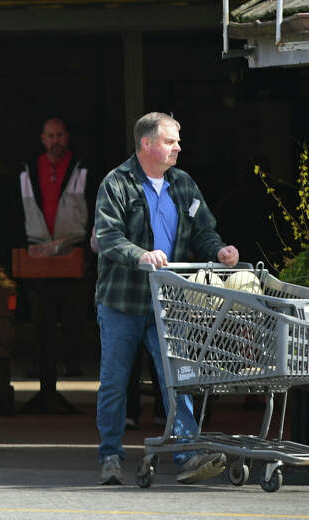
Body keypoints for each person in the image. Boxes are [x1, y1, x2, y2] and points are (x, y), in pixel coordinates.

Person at [93, 112, 239, 485]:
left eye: (177, 140)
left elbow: (203, 229)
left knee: (176, 378)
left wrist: (220, 250)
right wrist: (139, 254)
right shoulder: (117, 183)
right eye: (170, 140)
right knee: (114, 381)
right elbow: (107, 238)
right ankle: (110, 455)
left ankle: (187, 454)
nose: (178, 147)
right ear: (147, 144)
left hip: (168, 301)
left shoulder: (182, 184)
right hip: (122, 301)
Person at [18, 116, 93, 376]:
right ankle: (41, 366)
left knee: (74, 312)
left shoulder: (82, 168)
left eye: (59, 135)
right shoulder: (28, 169)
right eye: (50, 136)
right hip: (38, 250)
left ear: (67, 137)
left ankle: (72, 364)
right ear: (42, 139)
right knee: (40, 314)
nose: (55, 141)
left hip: (73, 249)